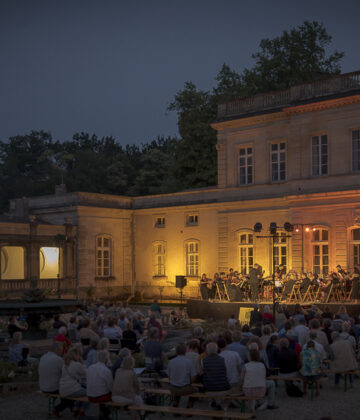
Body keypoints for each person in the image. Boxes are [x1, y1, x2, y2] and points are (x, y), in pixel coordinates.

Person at [39, 342, 73, 417]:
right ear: (57, 349)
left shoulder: (43, 357)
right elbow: (67, 373)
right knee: (73, 389)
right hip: (53, 388)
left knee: (67, 390)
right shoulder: (58, 359)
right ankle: (71, 408)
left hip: (43, 386)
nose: (62, 351)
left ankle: (72, 408)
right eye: (61, 350)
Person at [239, 345, 278, 410]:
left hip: (248, 391)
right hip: (261, 390)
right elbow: (264, 375)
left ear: (249, 356)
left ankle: (253, 407)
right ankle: (270, 403)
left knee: (249, 385)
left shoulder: (246, 365)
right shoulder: (262, 365)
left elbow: (241, 379)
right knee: (271, 383)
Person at [59, 346, 88, 416]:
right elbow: (86, 373)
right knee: (90, 393)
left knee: (83, 390)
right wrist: (82, 363)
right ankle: (82, 410)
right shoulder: (77, 364)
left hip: (62, 390)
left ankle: (76, 407)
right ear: (76, 355)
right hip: (72, 390)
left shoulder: (65, 364)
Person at [87, 350, 113, 419]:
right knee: (114, 395)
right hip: (101, 397)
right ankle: (106, 414)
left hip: (90, 396)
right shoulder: (106, 370)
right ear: (106, 359)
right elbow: (110, 387)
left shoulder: (90, 368)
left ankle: (103, 414)